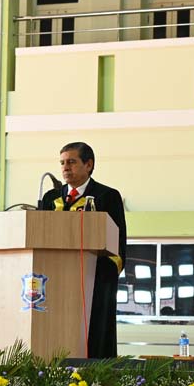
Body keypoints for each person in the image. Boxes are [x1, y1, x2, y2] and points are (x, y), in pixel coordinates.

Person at [40, 141, 127, 358]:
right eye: (62, 163)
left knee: (94, 335)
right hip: (56, 278)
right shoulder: (51, 198)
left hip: (95, 278)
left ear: (89, 165)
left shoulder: (107, 196)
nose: (65, 168)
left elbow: (118, 241)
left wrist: (106, 273)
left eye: (71, 162)